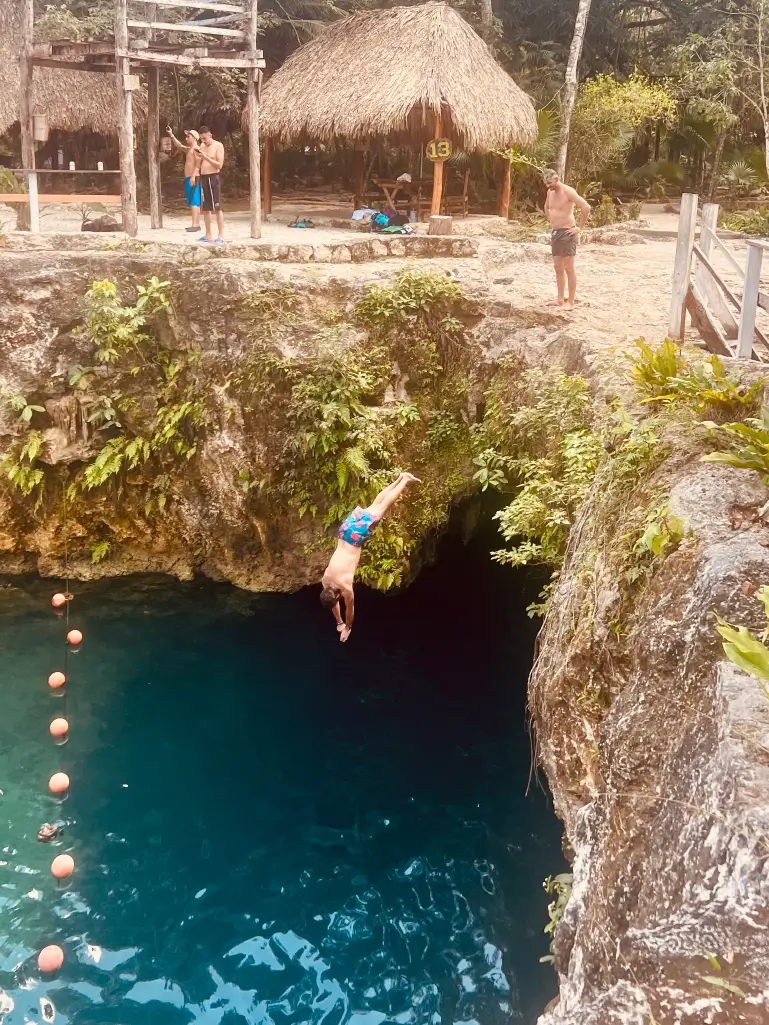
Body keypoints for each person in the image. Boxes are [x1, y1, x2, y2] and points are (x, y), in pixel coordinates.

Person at [320, 472, 420, 642]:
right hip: (344, 532)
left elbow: (349, 609)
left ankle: (405, 480)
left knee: (383, 507)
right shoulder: (326, 579)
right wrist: (338, 622)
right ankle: (399, 478)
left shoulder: (346, 587)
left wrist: (347, 627)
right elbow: (333, 603)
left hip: (356, 537)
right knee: (374, 505)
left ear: (337, 596)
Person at [542, 168, 591, 310]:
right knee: (558, 267)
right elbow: (547, 207)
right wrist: (551, 219)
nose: (548, 186)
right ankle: (559, 299)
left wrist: (579, 228)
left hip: (567, 233)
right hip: (556, 232)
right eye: (545, 183)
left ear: (556, 179)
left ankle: (570, 301)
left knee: (569, 267)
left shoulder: (568, 191)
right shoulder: (550, 192)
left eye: (549, 183)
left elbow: (585, 207)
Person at [165, 127, 202, 233]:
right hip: (189, 178)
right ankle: (195, 224)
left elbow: (198, 165)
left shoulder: (196, 149)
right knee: (193, 201)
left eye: (188, 136)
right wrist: (171, 135)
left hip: (194, 177)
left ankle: (196, 224)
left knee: (195, 202)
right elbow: (179, 146)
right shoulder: (189, 149)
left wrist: (193, 176)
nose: (186, 138)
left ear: (194, 138)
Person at [195, 126, 226, 243]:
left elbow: (219, 165)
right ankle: (208, 234)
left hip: (213, 177)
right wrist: (198, 157)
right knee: (206, 208)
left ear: (210, 135)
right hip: (203, 177)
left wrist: (206, 157)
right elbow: (199, 163)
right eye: (201, 139)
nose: (203, 141)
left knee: (217, 208)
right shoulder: (202, 146)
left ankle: (220, 235)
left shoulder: (218, 146)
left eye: (205, 138)